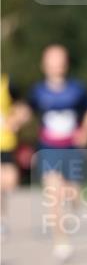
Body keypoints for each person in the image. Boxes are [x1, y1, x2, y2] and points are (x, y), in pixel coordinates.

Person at [27, 45, 87, 262]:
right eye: (52, 60)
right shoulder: (37, 90)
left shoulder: (78, 89)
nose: (56, 65)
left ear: (66, 63)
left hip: (73, 149)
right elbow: (26, 111)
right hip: (48, 148)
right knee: (54, 195)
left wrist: (86, 130)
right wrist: (12, 122)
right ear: (44, 64)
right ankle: (61, 242)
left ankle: (75, 203)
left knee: (72, 193)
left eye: (60, 60)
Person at [1, 73, 31, 231]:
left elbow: (24, 109)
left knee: (10, 182)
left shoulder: (7, 84)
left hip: (6, 143)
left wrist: (16, 121)